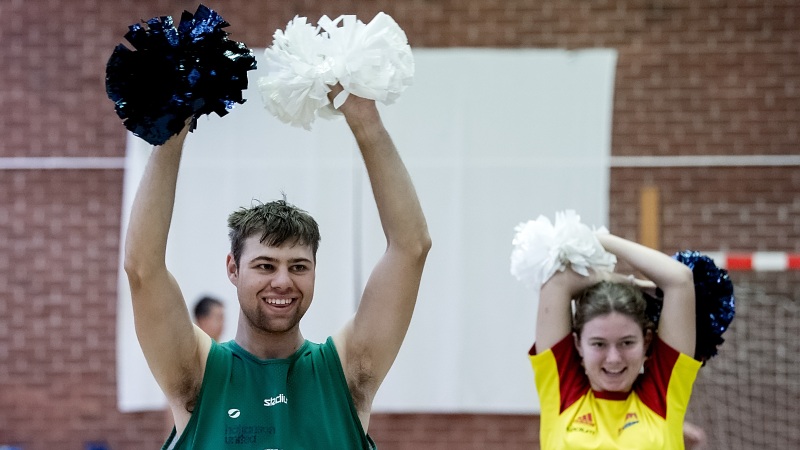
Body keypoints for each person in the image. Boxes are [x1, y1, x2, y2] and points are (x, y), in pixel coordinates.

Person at [124, 85, 431, 449]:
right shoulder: (198, 373)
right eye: (265, 266)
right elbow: (142, 269)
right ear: (233, 269)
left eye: (299, 266)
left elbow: (411, 248)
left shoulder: (347, 372)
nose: (283, 281)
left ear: (315, 270)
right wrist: (171, 135)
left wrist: (366, 121)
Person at [529, 232, 700, 449]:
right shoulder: (563, 391)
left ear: (646, 341)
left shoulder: (662, 395)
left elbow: (680, 279)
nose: (613, 359)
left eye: (626, 343)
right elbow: (557, 283)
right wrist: (625, 281)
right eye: (599, 344)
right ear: (578, 344)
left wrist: (601, 239)